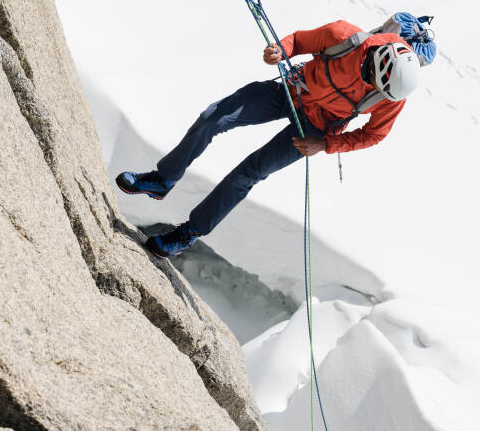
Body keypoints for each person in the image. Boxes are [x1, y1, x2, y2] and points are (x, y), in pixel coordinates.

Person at [116, 19, 421, 258]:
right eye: (371, 80)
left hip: (315, 129)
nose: (372, 89)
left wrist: (326, 145)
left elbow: (373, 134)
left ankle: (187, 235)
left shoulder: (391, 96)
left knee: (249, 173)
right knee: (214, 117)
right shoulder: (344, 37)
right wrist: (280, 50)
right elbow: (300, 40)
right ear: (376, 60)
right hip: (291, 90)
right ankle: (163, 179)